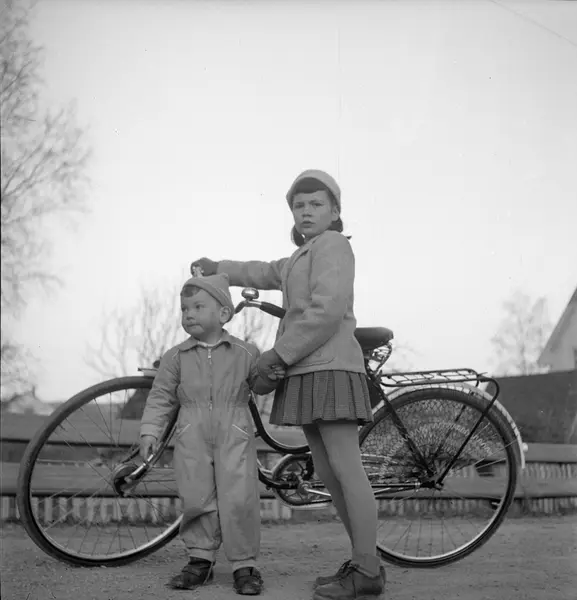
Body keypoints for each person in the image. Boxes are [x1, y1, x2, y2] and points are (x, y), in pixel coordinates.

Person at [191, 169, 386, 600]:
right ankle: (363, 560)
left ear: (335, 211)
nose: (306, 212)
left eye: (316, 204)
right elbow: (262, 271)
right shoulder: (301, 256)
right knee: (330, 473)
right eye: (299, 206)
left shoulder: (333, 245)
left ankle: (368, 569)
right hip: (308, 369)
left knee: (345, 468)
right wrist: (219, 268)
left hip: (330, 367)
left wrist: (278, 354)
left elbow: (326, 311)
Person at [139, 273, 281, 595]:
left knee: (239, 497)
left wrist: (271, 377)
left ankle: (244, 564)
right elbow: (161, 397)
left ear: (223, 313)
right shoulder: (175, 357)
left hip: (235, 431)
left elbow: (259, 385)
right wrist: (150, 431)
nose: (188, 314)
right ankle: (200, 560)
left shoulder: (246, 352)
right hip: (190, 433)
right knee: (196, 495)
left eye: (198, 307)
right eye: (184, 308)